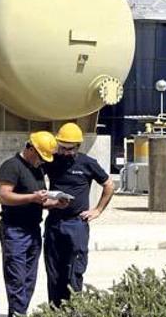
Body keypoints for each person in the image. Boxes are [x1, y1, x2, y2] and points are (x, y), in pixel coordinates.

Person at [43, 122, 114, 307]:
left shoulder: (87, 163)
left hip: (77, 224)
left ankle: (74, 313)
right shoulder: (51, 161)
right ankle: (55, 316)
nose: (65, 152)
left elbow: (109, 185)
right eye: (62, 148)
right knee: (54, 272)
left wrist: (97, 210)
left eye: (70, 149)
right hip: (54, 223)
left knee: (74, 271)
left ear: (78, 147)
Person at [0, 131, 58, 317]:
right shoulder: (11, 167)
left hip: (33, 230)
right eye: (40, 157)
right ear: (30, 148)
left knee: (29, 278)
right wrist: (32, 197)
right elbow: (4, 196)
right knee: (16, 278)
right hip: (15, 231)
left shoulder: (37, 170)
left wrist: (54, 203)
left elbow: (37, 199)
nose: (42, 161)